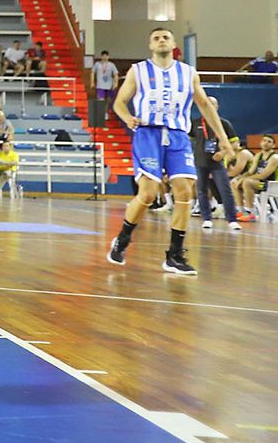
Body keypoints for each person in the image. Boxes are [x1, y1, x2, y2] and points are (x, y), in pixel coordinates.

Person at [106, 28, 233, 276]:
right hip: (148, 134)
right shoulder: (138, 70)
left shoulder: (188, 73)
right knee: (148, 193)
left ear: (174, 44)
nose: (161, 40)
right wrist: (127, 117)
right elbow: (119, 102)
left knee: (185, 191)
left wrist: (224, 139)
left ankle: (175, 255)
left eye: (165, 37)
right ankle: (123, 237)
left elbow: (205, 106)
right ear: (150, 45)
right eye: (156, 38)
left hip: (177, 135)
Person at [192, 98, 241, 231]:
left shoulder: (224, 124)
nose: (209, 106)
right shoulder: (195, 123)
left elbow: (235, 144)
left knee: (225, 190)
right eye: (207, 103)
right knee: (201, 191)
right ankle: (206, 218)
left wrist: (224, 153)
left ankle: (232, 219)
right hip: (200, 162)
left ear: (217, 107)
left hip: (217, 163)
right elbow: (188, 139)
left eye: (212, 104)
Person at [233, 134, 276, 221]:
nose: (266, 143)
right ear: (260, 143)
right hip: (259, 184)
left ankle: (251, 213)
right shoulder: (258, 156)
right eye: (264, 140)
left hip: (270, 185)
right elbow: (250, 172)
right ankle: (240, 211)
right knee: (234, 182)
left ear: (273, 145)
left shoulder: (274, 158)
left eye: (269, 142)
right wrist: (239, 178)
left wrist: (243, 179)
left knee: (247, 182)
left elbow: (263, 175)